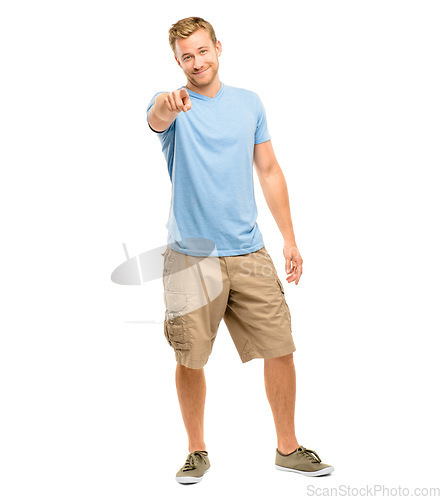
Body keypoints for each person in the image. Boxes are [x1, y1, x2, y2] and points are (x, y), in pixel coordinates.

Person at [146, 16, 333, 484]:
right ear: (177, 61)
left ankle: (287, 448)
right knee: (189, 357)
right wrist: (168, 107)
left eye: (202, 51)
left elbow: (269, 171)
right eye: (186, 56)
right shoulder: (171, 104)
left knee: (281, 347)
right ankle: (196, 451)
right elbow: (156, 119)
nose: (196, 62)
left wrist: (290, 239)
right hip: (191, 256)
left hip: (249, 252)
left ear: (218, 48)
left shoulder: (249, 104)